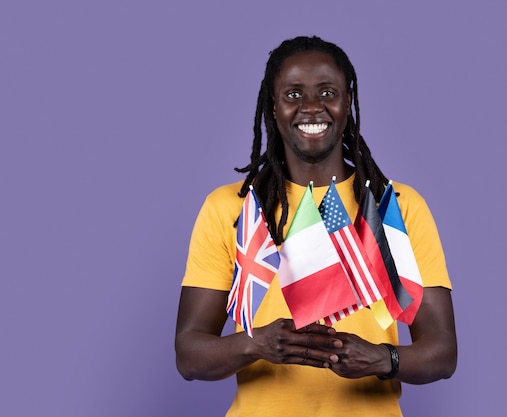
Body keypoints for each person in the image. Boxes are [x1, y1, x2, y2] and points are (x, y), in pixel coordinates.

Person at [175, 36, 457, 416]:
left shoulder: (398, 208)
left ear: (347, 103)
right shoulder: (232, 208)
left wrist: (381, 358)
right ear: (273, 107)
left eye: (327, 91)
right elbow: (189, 355)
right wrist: (255, 344)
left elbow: (442, 352)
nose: (311, 107)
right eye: (293, 94)